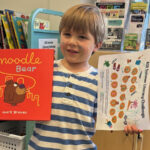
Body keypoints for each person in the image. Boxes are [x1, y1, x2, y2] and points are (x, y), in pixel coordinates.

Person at [28, 4, 142, 150]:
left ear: (97, 45)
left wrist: (128, 124)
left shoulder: (100, 82)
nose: (72, 42)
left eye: (82, 37)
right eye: (67, 34)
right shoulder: (45, 70)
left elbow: (109, 120)